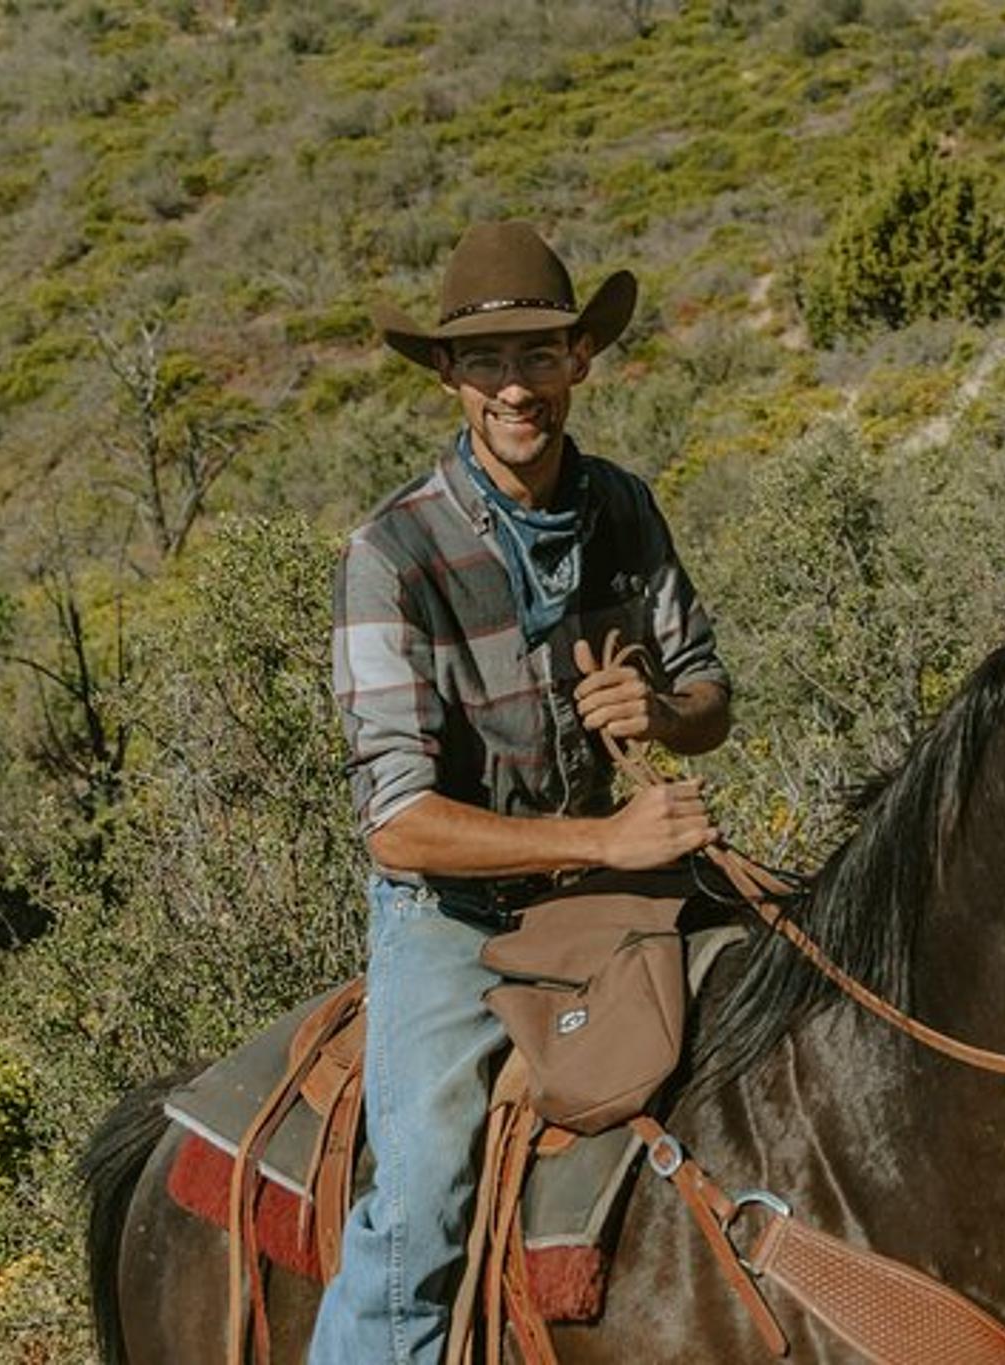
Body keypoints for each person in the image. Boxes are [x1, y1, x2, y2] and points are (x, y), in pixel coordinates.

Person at [312, 221, 733, 1365]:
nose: (517, 386)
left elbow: (708, 693)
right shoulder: (392, 553)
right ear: (448, 376)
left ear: (580, 362)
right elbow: (398, 827)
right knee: (416, 1220)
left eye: (542, 355)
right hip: (455, 918)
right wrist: (601, 841)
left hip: (613, 876)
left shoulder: (624, 508)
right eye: (490, 363)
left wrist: (662, 715)